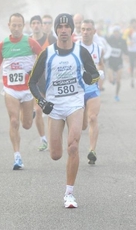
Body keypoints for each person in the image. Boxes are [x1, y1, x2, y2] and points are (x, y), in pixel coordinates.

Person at [28, 13, 99, 208]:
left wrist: (88, 78)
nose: (64, 30)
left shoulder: (81, 52)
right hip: (54, 106)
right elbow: (32, 82)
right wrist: (42, 103)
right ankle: (58, 156)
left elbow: (95, 75)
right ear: (56, 30)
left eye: (67, 27)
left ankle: (69, 193)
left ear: (72, 30)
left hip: (75, 103)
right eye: (60, 27)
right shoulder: (47, 53)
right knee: (56, 154)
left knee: (74, 146)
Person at [0, 13, 42, 169]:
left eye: (19, 25)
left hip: (27, 90)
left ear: (23, 26)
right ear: (9, 25)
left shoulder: (31, 43)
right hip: (10, 89)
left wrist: (38, 74)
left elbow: (44, 57)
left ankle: (29, 112)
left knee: (26, 125)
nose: (17, 28)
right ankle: (17, 157)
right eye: (14, 25)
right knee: (13, 121)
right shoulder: (2, 45)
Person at [29, 15, 57, 151]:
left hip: (50, 80)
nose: (36, 25)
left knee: (53, 111)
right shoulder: (26, 41)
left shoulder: (51, 40)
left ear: (41, 25)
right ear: (30, 26)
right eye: (33, 23)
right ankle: (43, 139)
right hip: (36, 81)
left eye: (38, 23)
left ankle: (53, 136)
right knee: (38, 110)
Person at [79, 19, 104, 164]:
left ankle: (92, 151)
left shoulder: (98, 49)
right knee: (82, 125)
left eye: (88, 29)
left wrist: (101, 74)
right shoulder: (74, 47)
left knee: (93, 118)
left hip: (92, 89)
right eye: (83, 29)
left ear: (94, 32)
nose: (85, 32)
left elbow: (101, 65)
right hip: (77, 90)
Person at [106, 25, 129, 101]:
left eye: (117, 32)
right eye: (115, 32)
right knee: (111, 80)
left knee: (119, 81)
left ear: (119, 33)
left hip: (119, 62)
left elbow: (126, 51)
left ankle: (116, 95)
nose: (116, 34)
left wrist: (128, 56)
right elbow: (105, 48)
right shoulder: (109, 40)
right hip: (111, 62)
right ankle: (113, 79)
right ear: (113, 33)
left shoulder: (122, 41)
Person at [123, 18, 136, 88]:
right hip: (131, 50)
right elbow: (124, 38)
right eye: (133, 23)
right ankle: (132, 79)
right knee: (132, 65)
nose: (134, 25)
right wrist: (128, 42)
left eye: (135, 23)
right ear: (131, 24)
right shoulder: (128, 31)